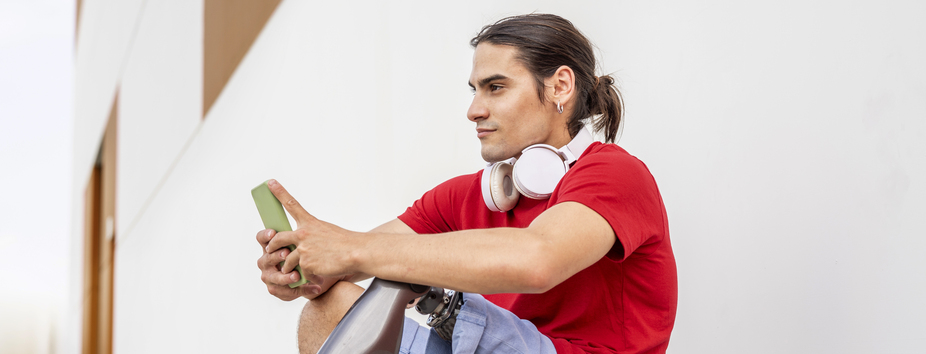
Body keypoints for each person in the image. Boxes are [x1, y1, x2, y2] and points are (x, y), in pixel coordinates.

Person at [255, 13, 677, 354]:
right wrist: (304, 267)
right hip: (484, 346)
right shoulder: (465, 196)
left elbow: (537, 261)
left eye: (496, 88)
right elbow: (347, 264)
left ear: (559, 86)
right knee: (331, 307)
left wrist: (352, 249)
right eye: (475, 90)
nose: (474, 109)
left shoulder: (615, 174)